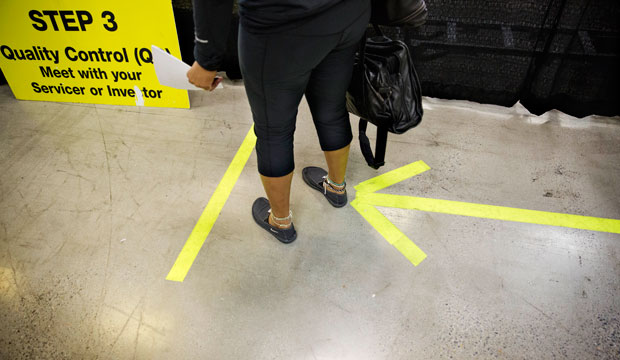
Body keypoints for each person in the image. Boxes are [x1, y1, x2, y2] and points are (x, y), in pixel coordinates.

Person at [188, 0, 371, 243]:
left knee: (274, 130)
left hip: (280, 29)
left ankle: (281, 221)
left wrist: (206, 59)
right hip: (347, 14)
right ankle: (336, 187)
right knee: (332, 107)